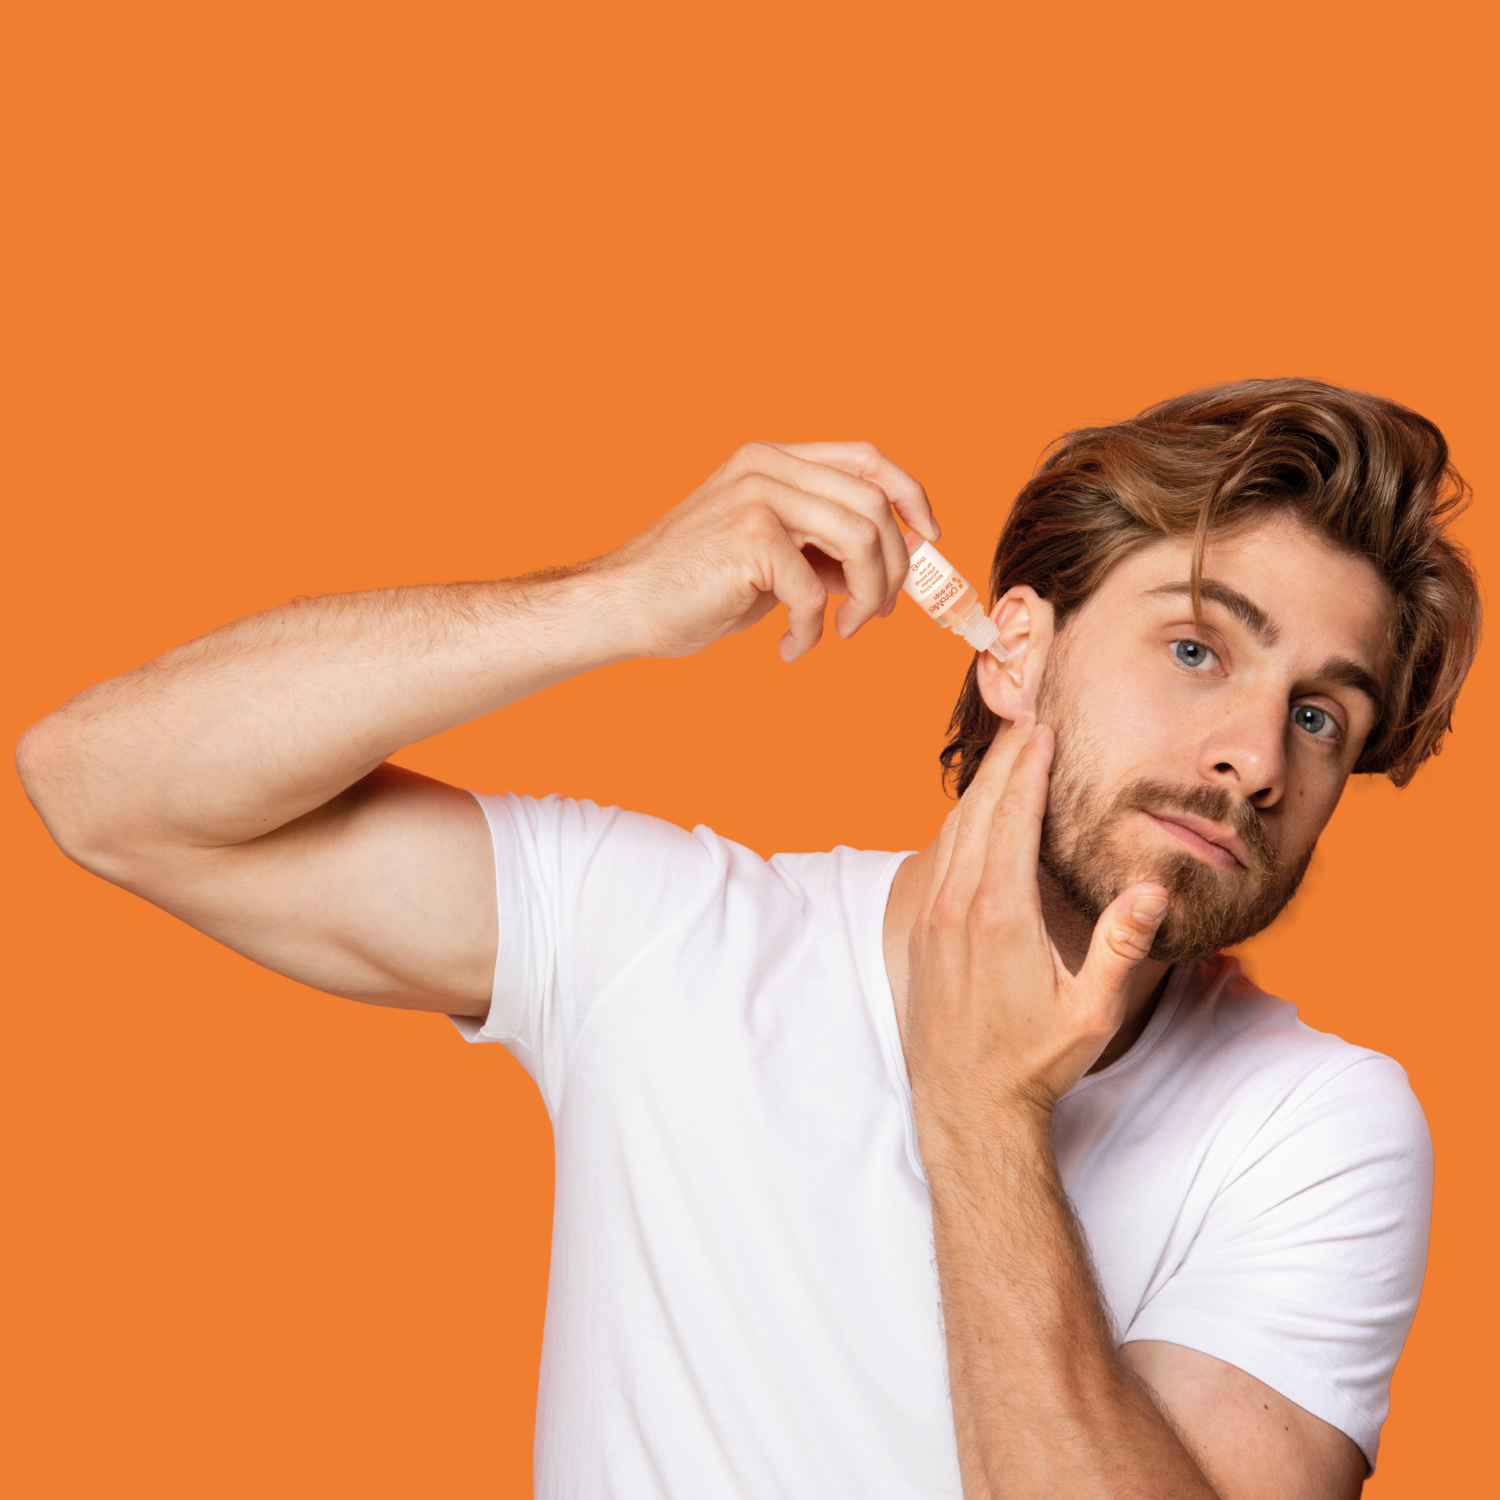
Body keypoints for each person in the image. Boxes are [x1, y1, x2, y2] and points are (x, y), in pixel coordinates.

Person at [16, 379, 1480, 1499]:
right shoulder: (665, 943)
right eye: (1194, 648)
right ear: (1015, 650)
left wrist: (982, 1109)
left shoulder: (1318, 1128)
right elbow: (105, 785)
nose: (1255, 758)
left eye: (1319, 715)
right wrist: (610, 602)